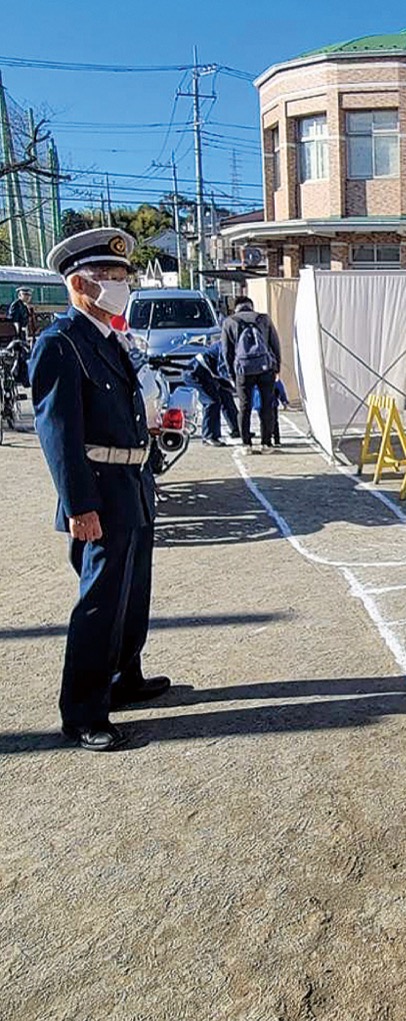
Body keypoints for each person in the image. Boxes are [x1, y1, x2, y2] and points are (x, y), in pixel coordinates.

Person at [29, 228, 172, 752]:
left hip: (133, 483)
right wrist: (79, 505)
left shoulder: (108, 337)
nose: (119, 285)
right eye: (107, 277)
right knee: (99, 603)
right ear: (78, 283)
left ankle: (124, 678)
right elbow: (58, 433)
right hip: (99, 491)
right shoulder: (61, 343)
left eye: (121, 277)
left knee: (132, 593)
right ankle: (84, 710)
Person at [221, 294, 282, 454]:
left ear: (236, 308)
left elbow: (227, 352)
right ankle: (266, 443)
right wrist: (277, 367)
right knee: (267, 405)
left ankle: (246, 444)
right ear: (251, 305)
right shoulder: (264, 319)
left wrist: (231, 375)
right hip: (265, 367)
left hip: (243, 370)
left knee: (245, 406)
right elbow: (275, 344)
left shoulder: (229, 322)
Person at [183, 339, 239, 446]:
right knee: (212, 401)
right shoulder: (226, 346)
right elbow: (223, 370)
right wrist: (236, 384)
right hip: (195, 373)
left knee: (226, 396)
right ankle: (209, 436)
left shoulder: (235, 346)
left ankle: (237, 428)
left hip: (210, 374)